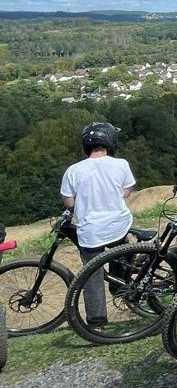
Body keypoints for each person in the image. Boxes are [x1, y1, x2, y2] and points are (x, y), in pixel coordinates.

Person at [60, 121, 136, 329]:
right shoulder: (121, 164)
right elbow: (127, 189)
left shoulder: (73, 170)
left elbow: (68, 202)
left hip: (90, 232)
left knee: (92, 275)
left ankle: (96, 321)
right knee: (122, 253)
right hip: (119, 225)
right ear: (110, 142)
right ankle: (121, 288)